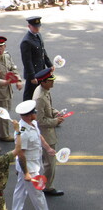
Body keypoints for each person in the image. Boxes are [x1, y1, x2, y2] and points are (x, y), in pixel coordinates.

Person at [12, 100, 54, 210]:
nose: (36, 113)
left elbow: (39, 136)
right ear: (29, 116)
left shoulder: (33, 123)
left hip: (34, 163)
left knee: (20, 191)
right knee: (38, 194)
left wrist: (48, 148)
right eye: (34, 112)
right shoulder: (23, 133)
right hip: (29, 168)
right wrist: (26, 173)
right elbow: (21, 154)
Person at [33, 68, 65, 196]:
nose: (53, 83)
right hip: (45, 134)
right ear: (44, 82)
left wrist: (54, 112)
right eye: (51, 81)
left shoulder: (44, 90)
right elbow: (40, 121)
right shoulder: (40, 97)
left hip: (46, 131)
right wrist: (56, 121)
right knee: (50, 163)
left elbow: (48, 108)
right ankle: (47, 187)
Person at [0, 36, 23, 142]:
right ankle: (3, 135)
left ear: (5, 46)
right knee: (3, 113)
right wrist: (4, 82)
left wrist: (18, 80)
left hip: (7, 90)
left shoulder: (7, 56)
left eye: (1, 46)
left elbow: (13, 68)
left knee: (4, 109)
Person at [20, 16, 53, 101]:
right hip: (34, 73)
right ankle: (26, 112)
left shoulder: (38, 35)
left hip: (41, 70)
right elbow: (27, 61)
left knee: (41, 93)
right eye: (35, 27)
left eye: (38, 26)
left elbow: (42, 51)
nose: (37, 28)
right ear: (29, 26)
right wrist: (32, 76)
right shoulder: (26, 41)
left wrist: (49, 65)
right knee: (30, 95)